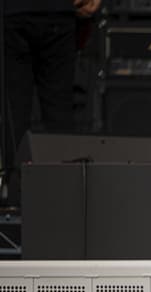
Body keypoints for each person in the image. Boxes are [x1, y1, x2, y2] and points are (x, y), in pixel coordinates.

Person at [1, 0, 99, 204]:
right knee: (59, 110)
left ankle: (16, 198)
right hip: (57, 11)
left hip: (14, 11)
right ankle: (66, 195)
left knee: (15, 111)